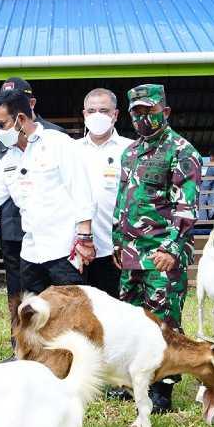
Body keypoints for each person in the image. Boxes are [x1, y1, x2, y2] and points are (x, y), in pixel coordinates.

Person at [112, 83, 201, 413]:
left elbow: (186, 208)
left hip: (163, 255)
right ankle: (134, 380)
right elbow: (123, 202)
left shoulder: (181, 151)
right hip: (132, 254)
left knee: (164, 321)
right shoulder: (130, 153)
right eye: (136, 112)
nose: (142, 118)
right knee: (133, 320)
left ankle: (163, 388)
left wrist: (172, 249)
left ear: (165, 111)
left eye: (148, 111)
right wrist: (118, 244)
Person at [0, 90, 94, 296]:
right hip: (31, 252)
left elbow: (81, 191)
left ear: (20, 119)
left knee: (71, 318)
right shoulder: (9, 159)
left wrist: (85, 238)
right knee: (35, 317)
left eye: (1, 125)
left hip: (65, 251)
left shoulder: (58, 143)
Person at [0, 77, 67, 351]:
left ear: (29, 104)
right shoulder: (5, 138)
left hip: (53, 234)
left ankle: (59, 347)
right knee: (20, 294)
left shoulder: (56, 137)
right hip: (15, 227)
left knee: (57, 295)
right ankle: (22, 347)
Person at [76, 87, 133, 298]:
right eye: (91, 111)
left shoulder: (130, 150)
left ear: (115, 115)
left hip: (115, 249)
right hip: (77, 249)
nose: (97, 116)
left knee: (115, 311)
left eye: (104, 110)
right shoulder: (71, 150)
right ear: (84, 114)